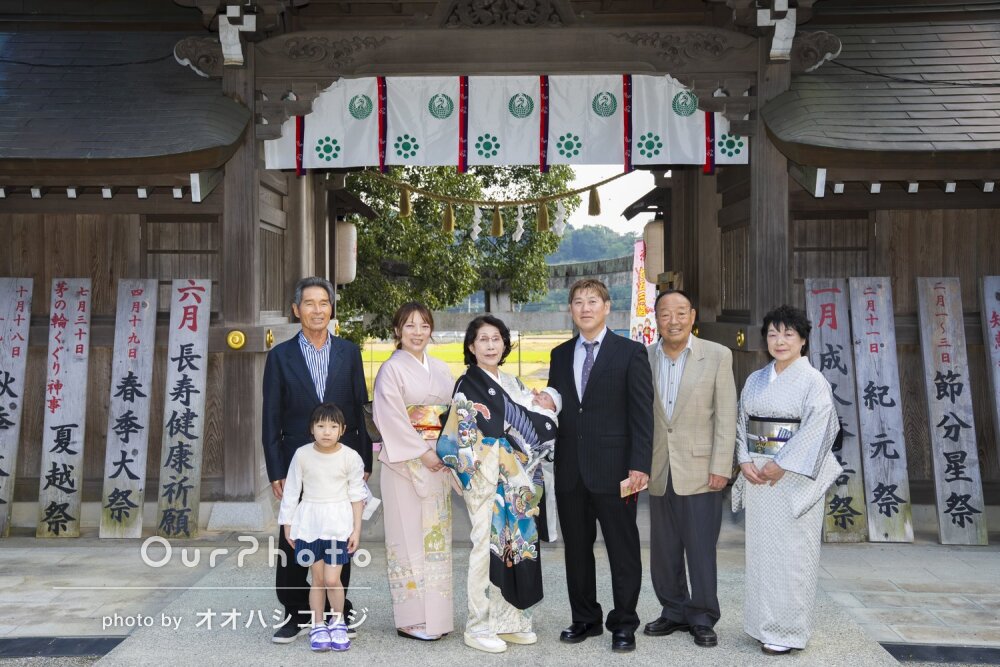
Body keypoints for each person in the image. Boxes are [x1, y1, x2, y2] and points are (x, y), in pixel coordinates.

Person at [437, 315, 560, 654]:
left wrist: (525, 432)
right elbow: (462, 436)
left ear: (505, 344)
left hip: (518, 480)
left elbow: (540, 426)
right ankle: (478, 625)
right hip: (486, 477)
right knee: (485, 547)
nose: (491, 345)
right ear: (471, 346)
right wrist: (500, 447)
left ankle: (510, 621)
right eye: (483, 339)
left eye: (497, 338)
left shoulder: (513, 382)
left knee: (518, 546)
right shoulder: (467, 384)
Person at [546, 278, 653, 653]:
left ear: (607, 307)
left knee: (623, 549)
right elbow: (559, 408)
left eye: (593, 301)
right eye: (578, 302)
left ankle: (624, 624)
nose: (585, 307)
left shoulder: (630, 352)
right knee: (576, 548)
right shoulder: (559, 355)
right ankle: (585, 618)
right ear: (571, 310)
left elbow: (642, 414)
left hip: (617, 470)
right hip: (571, 471)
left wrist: (640, 465)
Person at [262, 276, 371, 644]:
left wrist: (365, 460)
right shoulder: (280, 356)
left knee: (340, 534)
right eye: (309, 303)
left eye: (323, 302)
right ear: (296, 310)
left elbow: (360, 408)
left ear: (331, 308)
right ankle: (296, 612)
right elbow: (270, 416)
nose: (317, 310)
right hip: (298, 461)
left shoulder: (349, 352)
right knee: (294, 538)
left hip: (340, 461)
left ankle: (339, 610)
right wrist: (276, 467)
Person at [733, 305, 842, 656]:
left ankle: (789, 629)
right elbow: (742, 424)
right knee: (762, 553)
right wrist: (745, 460)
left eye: (788, 334)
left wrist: (781, 464)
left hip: (793, 479)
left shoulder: (813, 382)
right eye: (773, 334)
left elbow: (821, 428)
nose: (779, 341)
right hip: (759, 477)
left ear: (803, 340)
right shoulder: (755, 380)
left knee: (793, 554)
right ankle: (762, 623)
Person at [643, 290, 736, 648]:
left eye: (681, 312)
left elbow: (726, 414)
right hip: (659, 467)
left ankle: (702, 616)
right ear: (656, 318)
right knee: (663, 549)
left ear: (693, 315)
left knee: (700, 548)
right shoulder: (645, 357)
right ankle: (673, 610)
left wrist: (721, 467)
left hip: (701, 469)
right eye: (666, 314)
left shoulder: (716, 356)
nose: (674, 320)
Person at [372, 302, 455, 641]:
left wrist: (445, 451)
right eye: (409, 326)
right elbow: (388, 417)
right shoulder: (390, 371)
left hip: (438, 463)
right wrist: (423, 452)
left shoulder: (441, 370)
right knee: (406, 538)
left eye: (423, 325)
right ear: (397, 331)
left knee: (436, 541)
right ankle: (410, 618)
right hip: (404, 465)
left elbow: (452, 417)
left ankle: (437, 616)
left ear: (431, 330)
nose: (417, 332)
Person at [278, 403, 365, 652]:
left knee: (331, 578)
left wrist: (356, 530)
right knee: (317, 578)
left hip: (338, 526)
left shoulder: (350, 457)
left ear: (342, 430)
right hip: (309, 524)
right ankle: (318, 625)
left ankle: (337, 622)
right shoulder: (302, 455)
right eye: (321, 426)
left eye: (333, 426)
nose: (327, 431)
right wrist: (288, 525)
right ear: (311, 429)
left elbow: (357, 496)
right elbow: (292, 491)